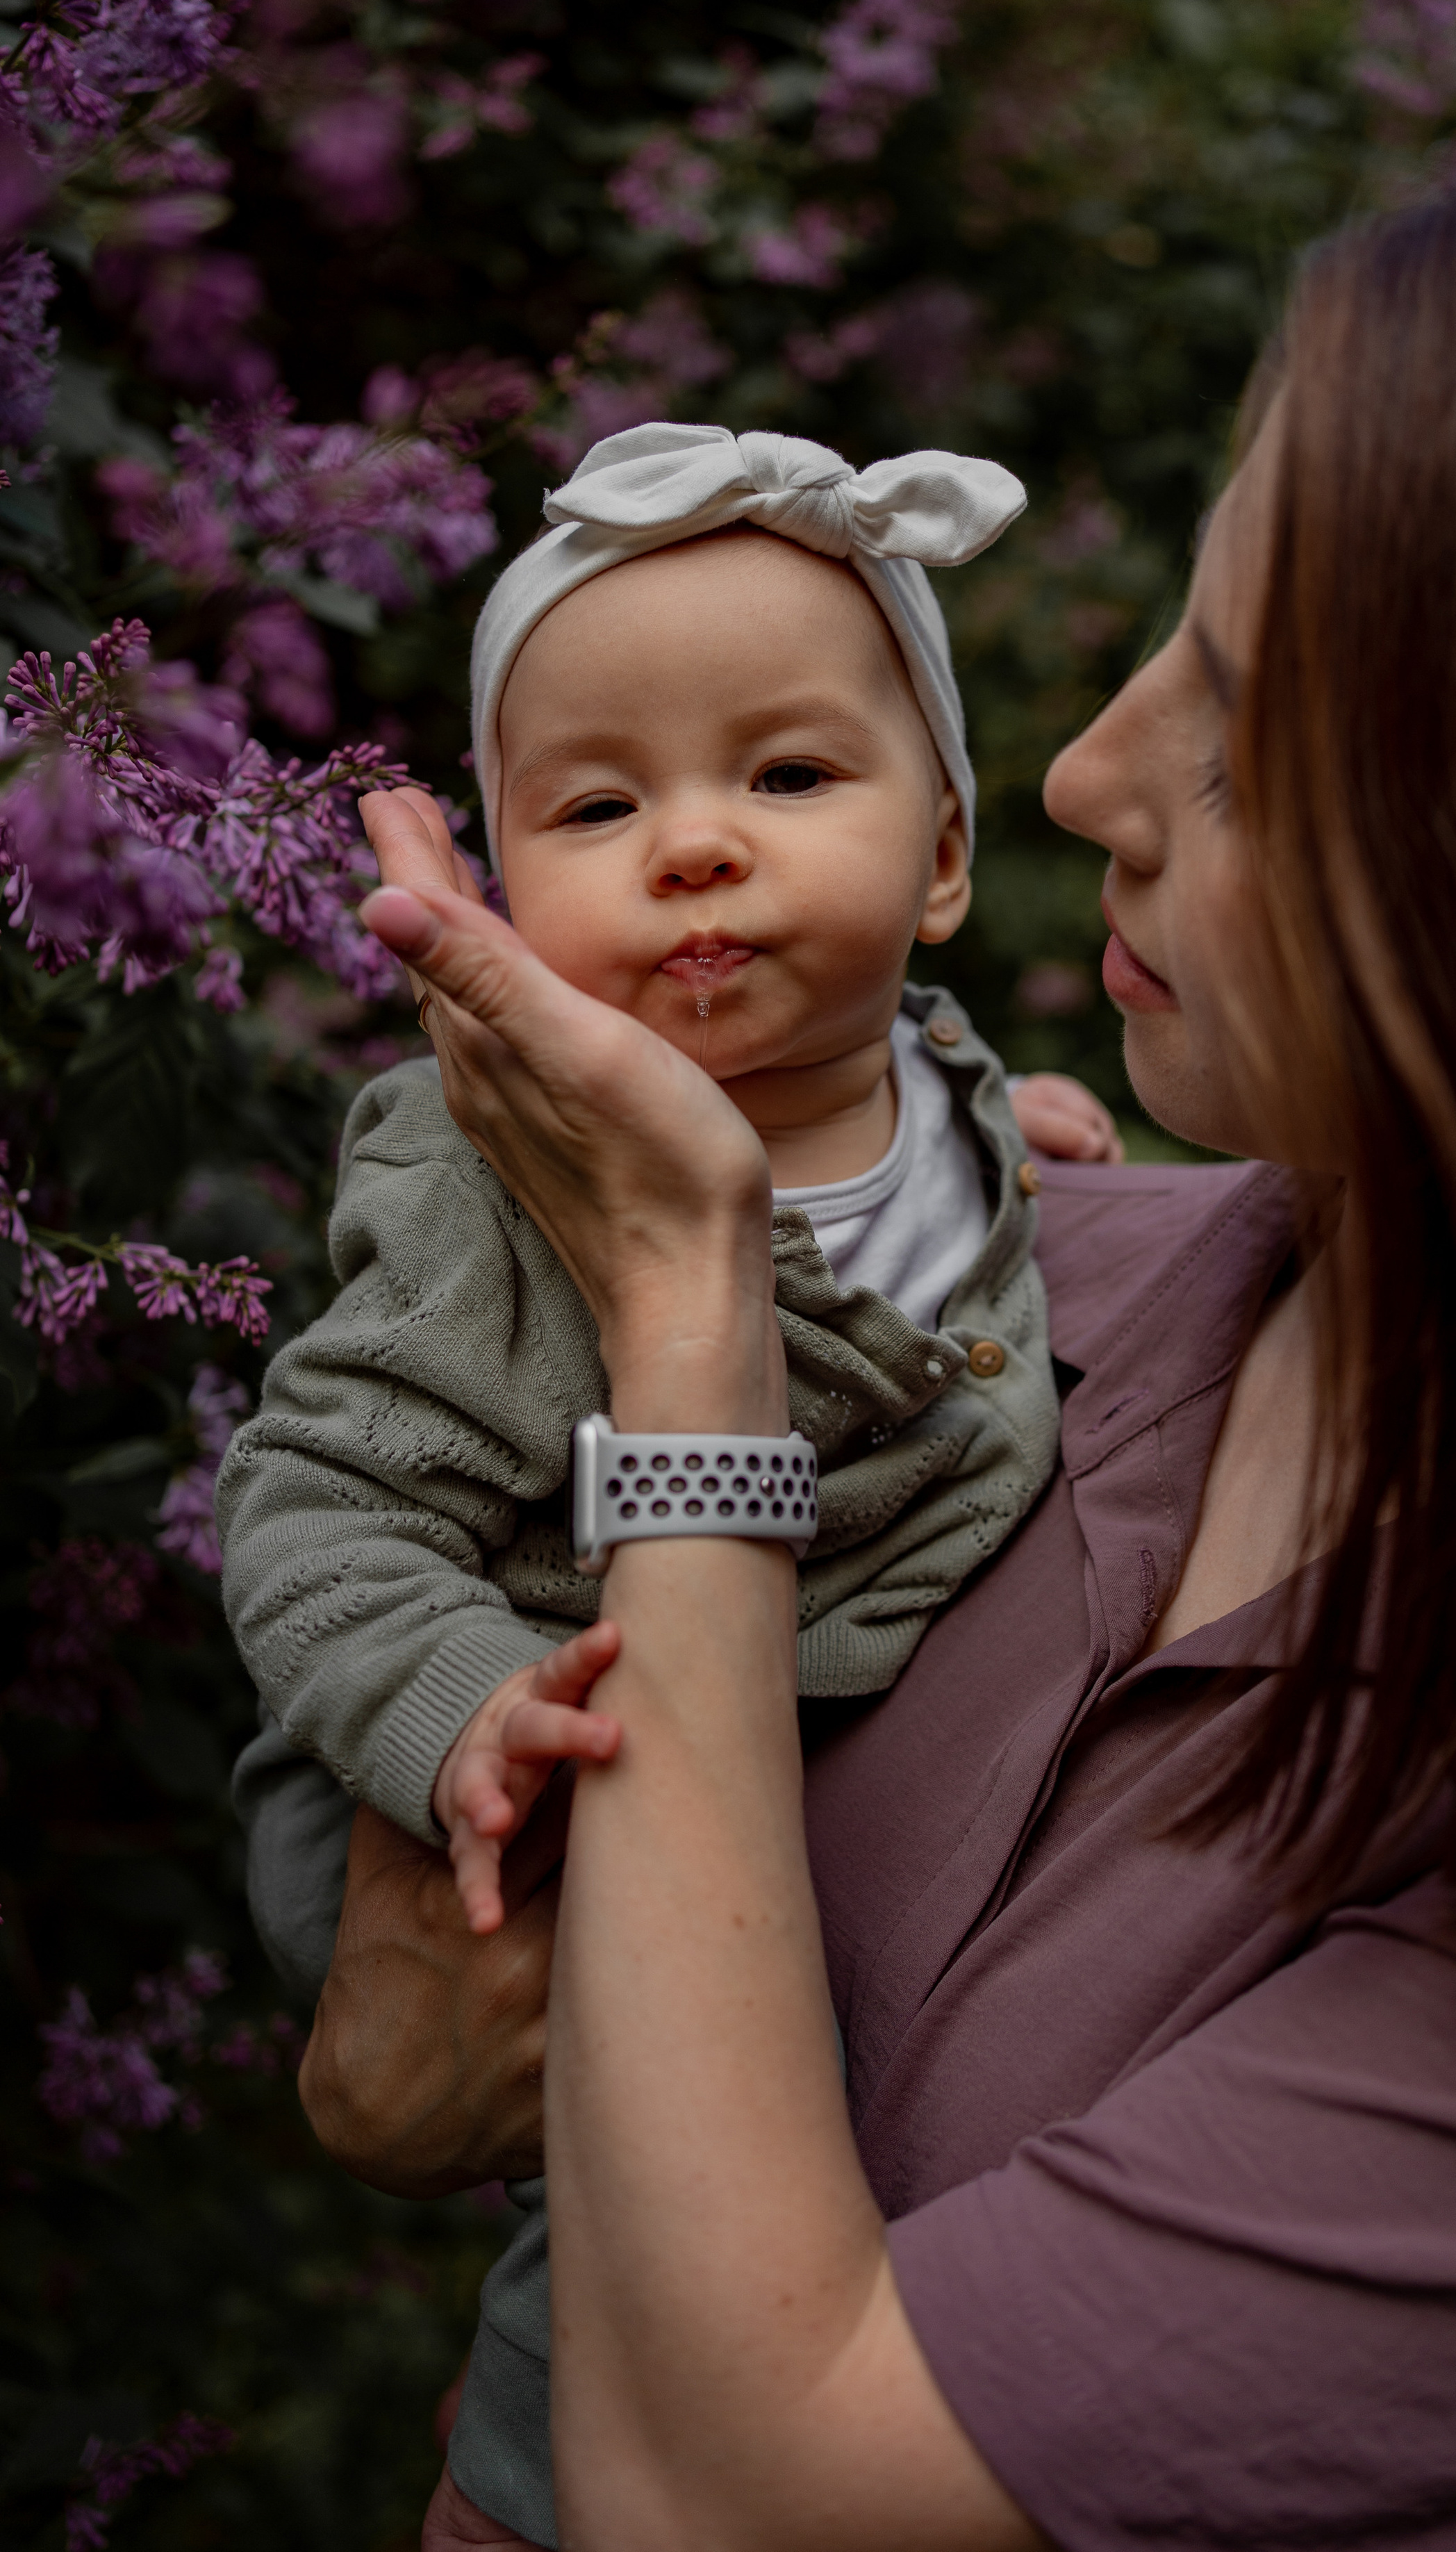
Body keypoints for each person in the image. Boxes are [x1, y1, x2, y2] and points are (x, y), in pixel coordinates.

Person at [256, 142, 1456, 2551]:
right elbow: (419, 2009)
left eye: (1251, 739)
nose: (1078, 780)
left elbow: (723, 2502)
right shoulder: (1038, 1284)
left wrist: (689, 1303)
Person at [217, 422, 1122, 1936]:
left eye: (785, 772)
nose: (693, 844)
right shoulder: (488, 1191)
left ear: (944, 856)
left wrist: (1004, 1131)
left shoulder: (936, 1080)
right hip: (542, 1832)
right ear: (502, 894)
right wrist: (471, 1712)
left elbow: (903, 1173)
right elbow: (313, 1506)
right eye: (596, 809)